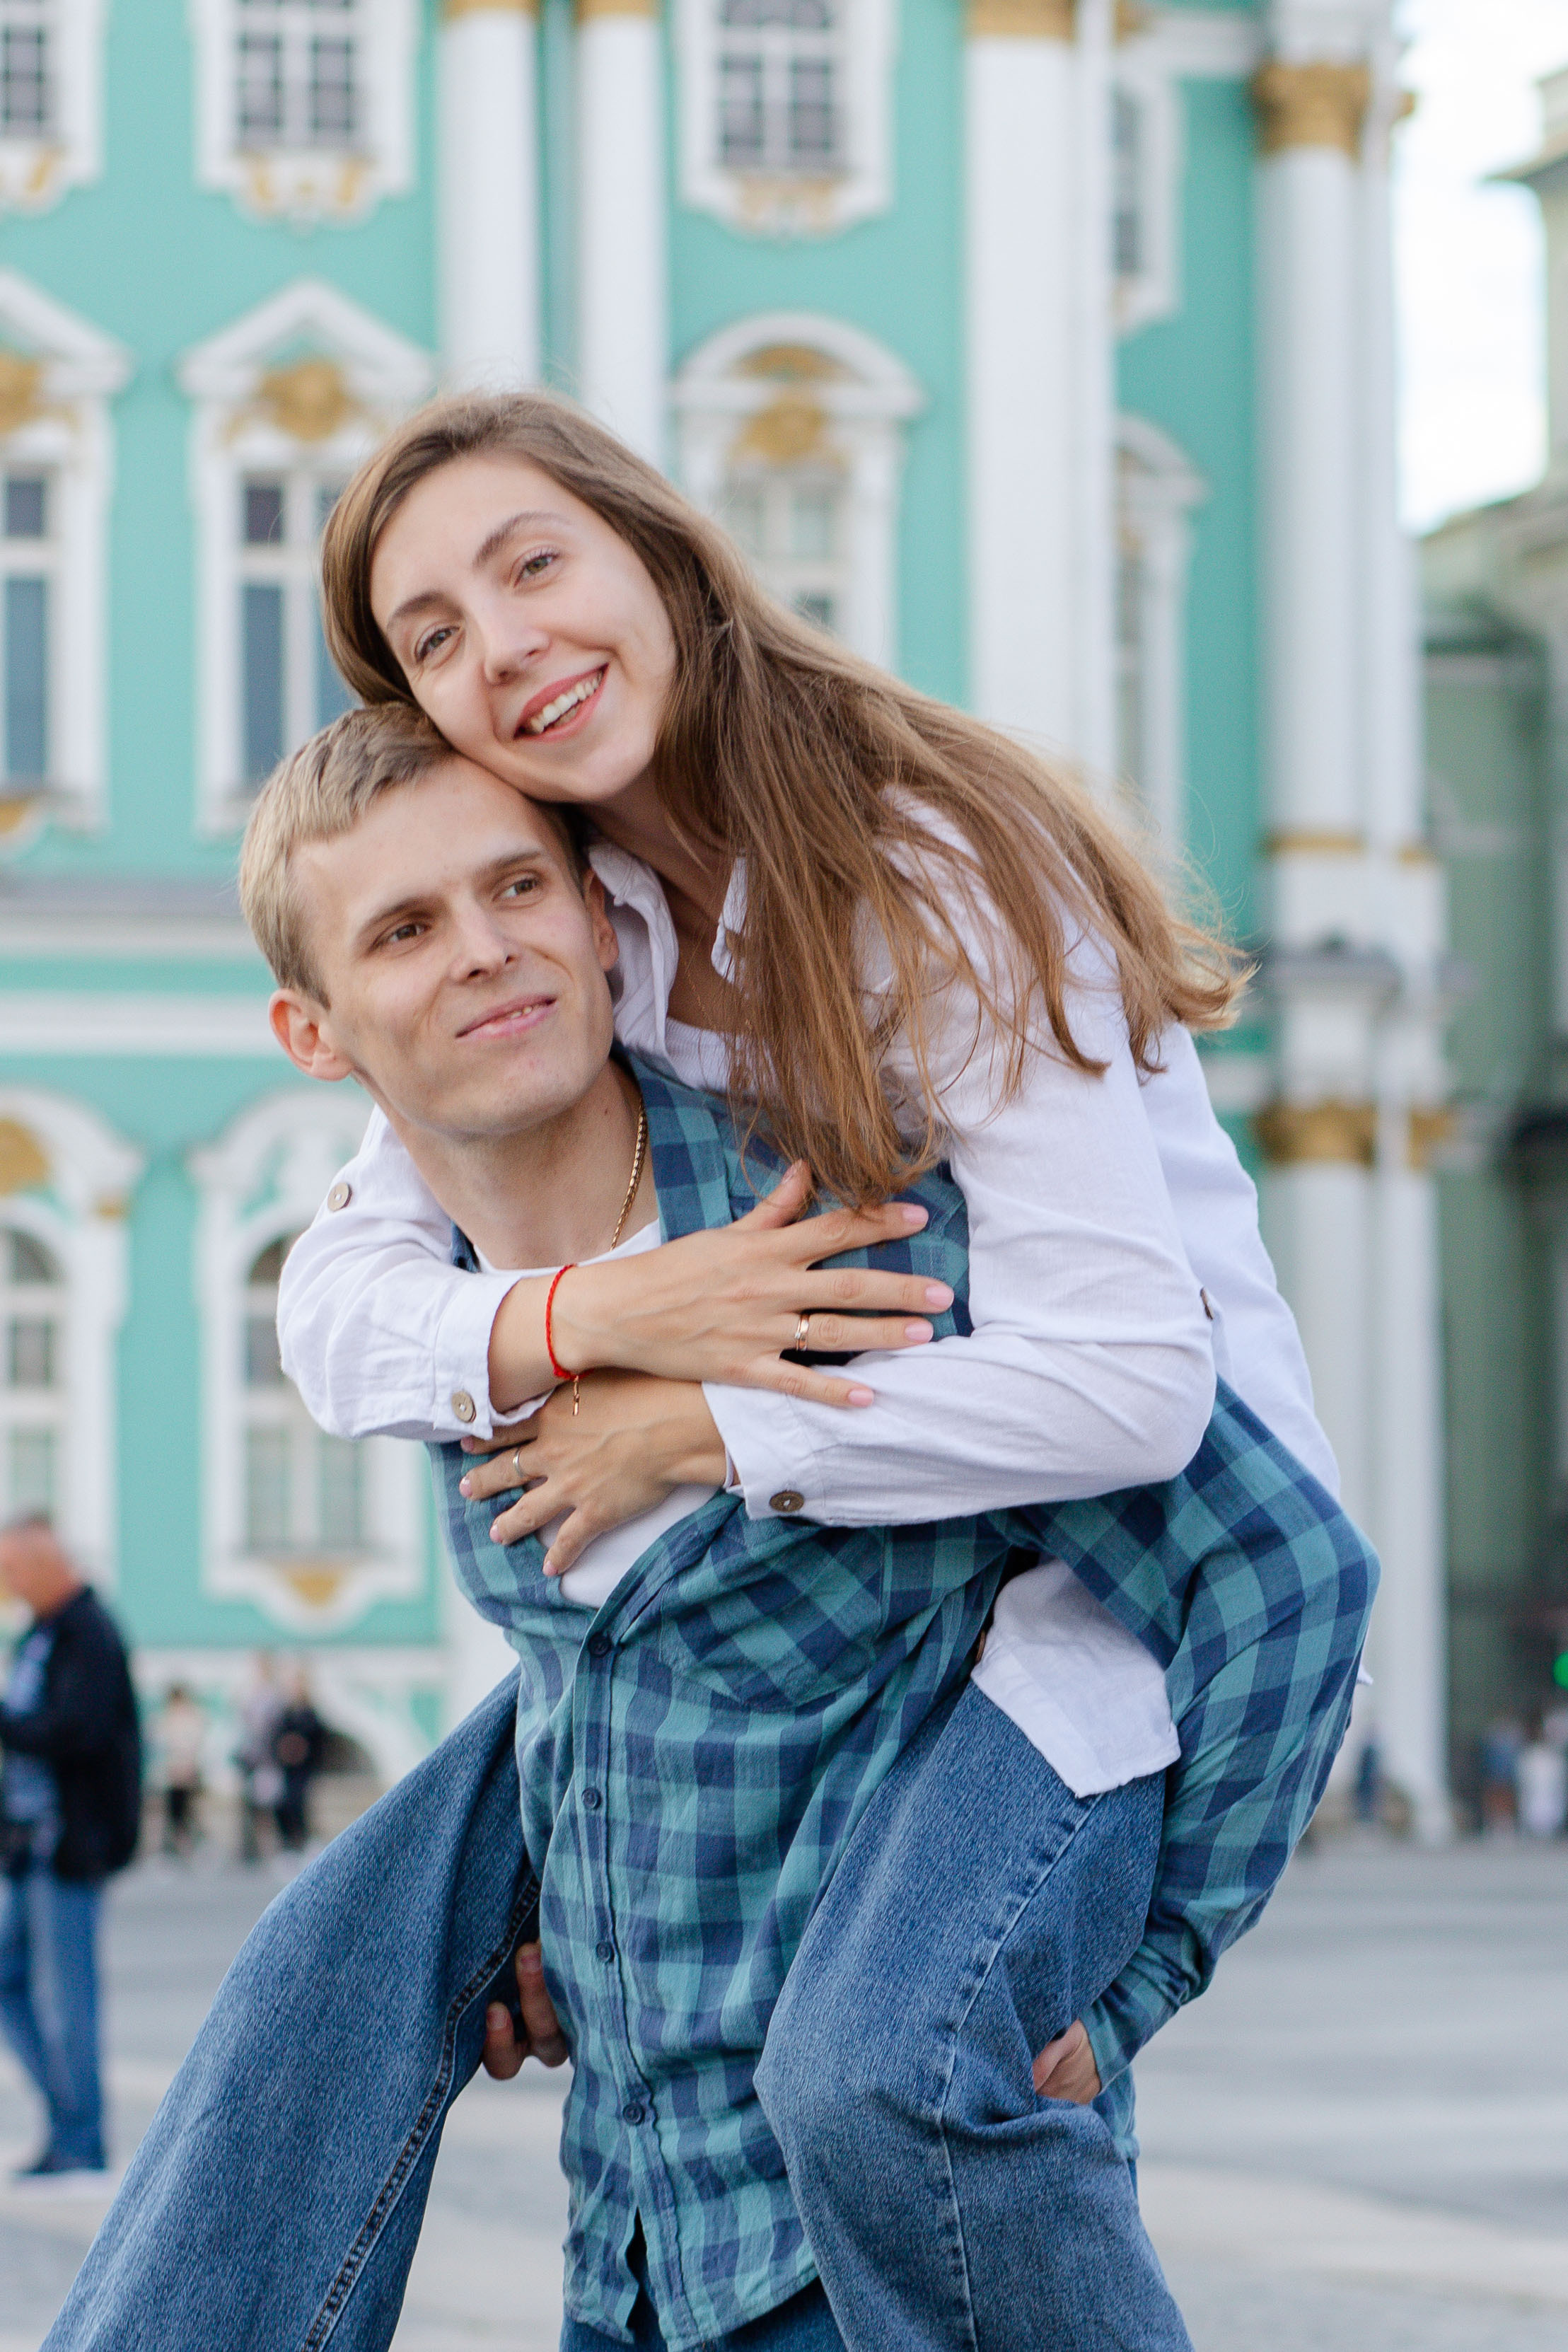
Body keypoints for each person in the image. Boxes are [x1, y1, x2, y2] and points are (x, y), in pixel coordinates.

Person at [0, 1516, 141, 2184]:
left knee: (71, 1995)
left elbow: (79, 1731)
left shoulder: (90, 1632)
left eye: (10, 1567)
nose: (5, 1581)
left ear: (43, 1560)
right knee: (10, 1978)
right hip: (27, 1846)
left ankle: (80, 2137)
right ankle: (66, 2118)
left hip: (68, 1847)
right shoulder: (38, 1634)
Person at [231, 1651, 283, 1863]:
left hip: (266, 1759)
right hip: (250, 1759)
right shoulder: (250, 1694)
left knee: (266, 1804)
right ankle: (251, 1848)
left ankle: (268, 1849)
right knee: (249, 1805)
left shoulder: (273, 1697)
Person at [271, 1666, 327, 1852]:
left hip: (304, 1767)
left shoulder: (310, 1713)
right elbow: (276, 1738)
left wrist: (302, 1750)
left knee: (299, 1802)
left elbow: (317, 1740)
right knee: (284, 1802)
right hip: (287, 1768)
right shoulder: (285, 1712)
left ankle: (303, 1840)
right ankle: (289, 1842)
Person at [152, 1684, 205, 1858]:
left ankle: (195, 1846)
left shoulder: (190, 1716)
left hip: (186, 1770)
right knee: (175, 1811)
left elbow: (193, 1743)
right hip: (174, 1772)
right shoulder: (168, 1717)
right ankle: (181, 1848)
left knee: (189, 1810)